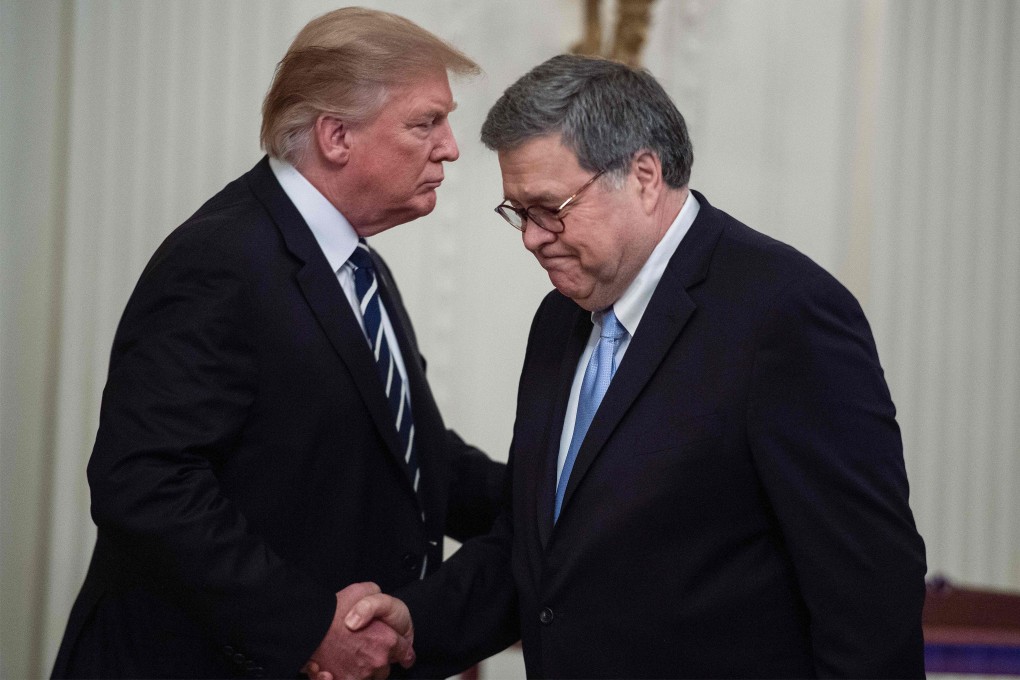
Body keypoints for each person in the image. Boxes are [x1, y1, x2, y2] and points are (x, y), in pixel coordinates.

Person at [366, 54, 928, 678]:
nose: (530, 237)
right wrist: (414, 627)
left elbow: (868, 586)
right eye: (518, 213)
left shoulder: (784, 315)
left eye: (551, 208)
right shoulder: (560, 321)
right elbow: (541, 548)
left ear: (643, 174)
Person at [50, 8, 504, 680]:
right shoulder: (221, 259)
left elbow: (411, 452)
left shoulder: (358, 266)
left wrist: (563, 499)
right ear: (337, 136)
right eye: (425, 122)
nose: (450, 147)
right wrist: (307, 626)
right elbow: (143, 484)